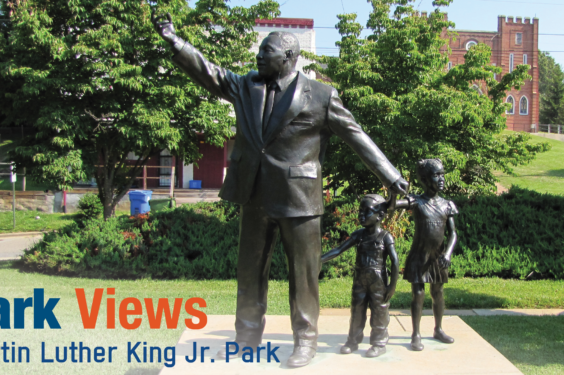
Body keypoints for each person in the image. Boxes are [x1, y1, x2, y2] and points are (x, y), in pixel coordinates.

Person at [151, 13, 409, 367]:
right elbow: (209, 73)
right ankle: (246, 337)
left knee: (302, 275)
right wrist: (174, 40)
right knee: (249, 272)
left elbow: (356, 136)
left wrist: (391, 175)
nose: (258, 56)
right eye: (259, 51)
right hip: (254, 194)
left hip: (299, 200)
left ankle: (305, 341)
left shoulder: (320, 95)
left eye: (265, 52)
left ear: (288, 58)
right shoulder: (246, 86)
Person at [321, 194, 399, 358]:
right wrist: (319, 260)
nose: (361, 215)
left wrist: (392, 286)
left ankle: (379, 342)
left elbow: (395, 261)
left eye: (367, 211)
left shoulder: (385, 237)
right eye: (360, 211)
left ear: (380, 215)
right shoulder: (359, 235)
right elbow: (339, 250)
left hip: (378, 280)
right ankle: (352, 340)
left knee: (379, 311)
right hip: (360, 279)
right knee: (357, 310)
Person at [392, 159, 458, 351]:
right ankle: (416, 334)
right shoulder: (416, 201)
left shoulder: (447, 205)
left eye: (442, 174)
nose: (441, 179)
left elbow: (453, 233)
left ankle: (438, 329)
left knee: (438, 292)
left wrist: (448, 253)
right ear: (424, 179)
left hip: (438, 257)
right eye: (436, 175)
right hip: (419, 257)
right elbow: (393, 205)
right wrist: (393, 191)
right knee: (418, 294)